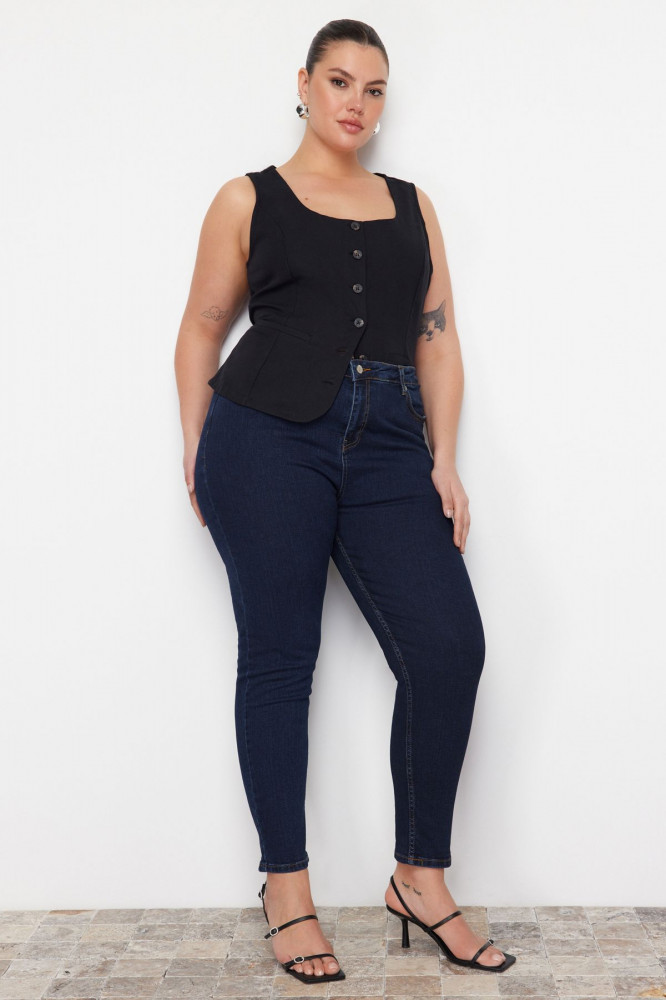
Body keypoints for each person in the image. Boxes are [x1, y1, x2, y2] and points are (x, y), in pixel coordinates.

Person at [174, 18, 515, 983]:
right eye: (339, 81)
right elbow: (202, 327)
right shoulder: (247, 198)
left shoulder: (413, 205)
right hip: (263, 438)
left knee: (449, 647)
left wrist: (444, 459)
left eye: (373, 88)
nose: (356, 102)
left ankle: (419, 878)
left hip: (391, 446)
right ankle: (287, 892)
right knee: (281, 659)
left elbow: (438, 338)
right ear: (304, 84)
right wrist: (196, 444)